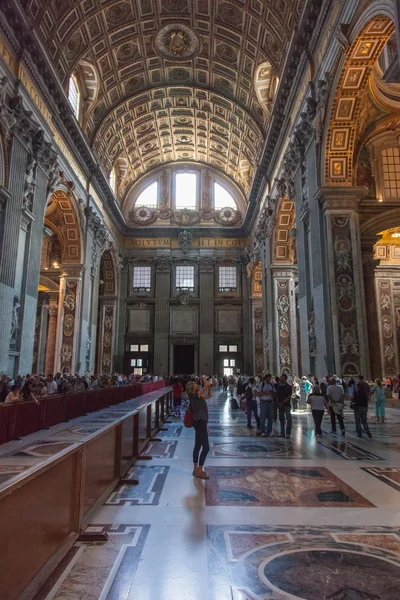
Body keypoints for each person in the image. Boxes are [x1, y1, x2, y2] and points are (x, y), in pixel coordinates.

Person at [191, 376, 211, 479]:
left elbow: (209, 395)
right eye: (196, 386)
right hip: (200, 422)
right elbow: (204, 388)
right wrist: (204, 380)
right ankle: (199, 469)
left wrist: (209, 386)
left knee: (198, 445)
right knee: (206, 447)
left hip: (200, 423)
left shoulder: (199, 396)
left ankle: (195, 469)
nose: (198, 386)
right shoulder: (195, 396)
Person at [276, 374, 292, 438]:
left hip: (286, 405)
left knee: (289, 418)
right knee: (281, 419)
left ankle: (288, 433)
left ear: (285, 379)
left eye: (282, 378)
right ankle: (282, 432)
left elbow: (289, 396)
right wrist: (278, 403)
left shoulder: (288, 387)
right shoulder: (278, 386)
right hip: (280, 405)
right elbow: (277, 395)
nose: (281, 378)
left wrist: (282, 402)